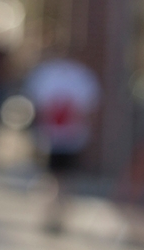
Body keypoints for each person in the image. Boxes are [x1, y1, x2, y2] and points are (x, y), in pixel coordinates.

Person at [25, 55, 100, 235]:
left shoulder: (76, 78)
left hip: (66, 138)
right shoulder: (57, 77)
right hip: (55, 137)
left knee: (61, 179)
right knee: (56, 178)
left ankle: (57, 215)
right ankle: (54, 215)